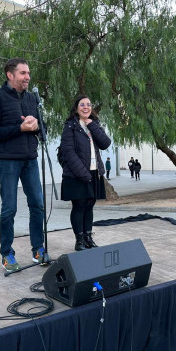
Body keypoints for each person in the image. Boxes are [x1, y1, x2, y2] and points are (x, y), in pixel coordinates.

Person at [0, 58, 48, 272]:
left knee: (37, 204)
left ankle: (38, 249)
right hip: (7, 161)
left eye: (28, 73)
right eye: (23, 73)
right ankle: (7, 253)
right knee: (9, 208)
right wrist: (19, 128)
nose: (27, 77)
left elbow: (42, 129)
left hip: (30, 159)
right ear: (10, 75)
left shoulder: (31, 99)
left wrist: (38, 125)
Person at [60, 94, 111, 251]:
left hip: (94, 172)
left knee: (90, 205)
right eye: (82, 104)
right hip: (76, 174)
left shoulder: (94, 124)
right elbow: (68, 152)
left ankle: (88, 238)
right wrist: (83, 173)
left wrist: (92, 126)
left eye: (88, 104)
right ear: (76, 108)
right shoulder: (70, 126)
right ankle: (79, 240)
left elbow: (105, 143)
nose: (86, 107)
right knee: (79, 205)